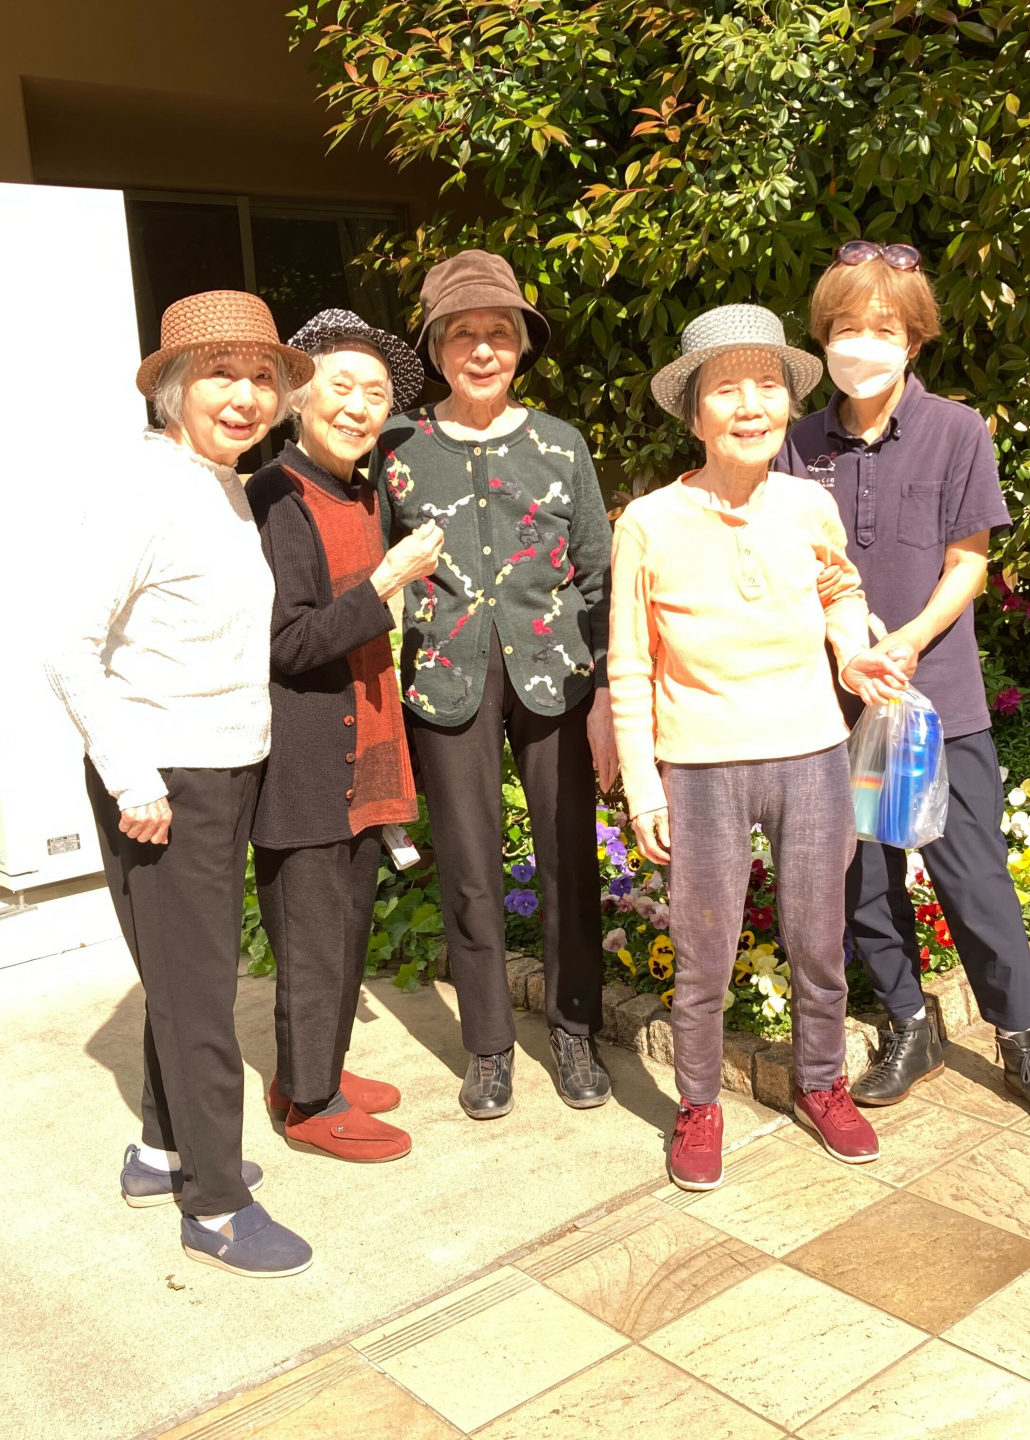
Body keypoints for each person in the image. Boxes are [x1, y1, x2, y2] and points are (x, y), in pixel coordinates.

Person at [777, 241, 1030, 1128]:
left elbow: (969, 563)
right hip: (835, 700)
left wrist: (910, 641)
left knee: (972, 873)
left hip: (936, 701)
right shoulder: (796, 444)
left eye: (883, 329)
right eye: (845, 327)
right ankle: (908, 1025)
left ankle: (1020, 1042)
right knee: (863, 877)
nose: (862, 344)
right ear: (823, 337)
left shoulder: (958, 430)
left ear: (914, 340)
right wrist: (848, 650)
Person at [46, 290, 317, 1279]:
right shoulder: (146, 488)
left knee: (183, 978)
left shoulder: (219, 485)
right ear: (172, 389)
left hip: (220, 765)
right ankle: (215, 1206)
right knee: (202, 995)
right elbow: (67, 646)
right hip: (167, 779)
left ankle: (164, 1154)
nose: (245, 396)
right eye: (220, 375)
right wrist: (133, 778)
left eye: (261, 377)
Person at [610, 303, 910, 1191]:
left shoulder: (809, 503)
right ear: (694, 413)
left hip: (813, 754)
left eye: (769, 386)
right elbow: (629, 663)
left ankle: (822, 1082)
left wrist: (850, 654)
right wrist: (643, 785)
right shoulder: (648, 522)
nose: (752, 406)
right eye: (727, 390)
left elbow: (839, 590)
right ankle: (698, 1103)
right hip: (700, 769)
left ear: (787, 402)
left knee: (819, 941)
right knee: (704, 954)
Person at [373, 250, 615, 1120]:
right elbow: (372, 570)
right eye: (462, 334)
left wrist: (608, 696)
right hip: (446, 681)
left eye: (499, 333)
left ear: (521, 346)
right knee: (470, 868)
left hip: (558, 679)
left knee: (568, 859)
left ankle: (575, 1028)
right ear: (436, 347)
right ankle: (488, 1046)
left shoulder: (559, 443)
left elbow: (599, 574)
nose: (482, 350)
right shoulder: (397, 446)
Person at [243, 309, 440, 1164]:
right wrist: (387, 580)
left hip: (359, 747)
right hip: (305, 758)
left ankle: (310, 1071)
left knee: (347, 923)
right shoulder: (276, 496)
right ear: (299, 398)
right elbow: (286, 643)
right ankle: (310, 1107)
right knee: (313, 938)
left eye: (377, 394)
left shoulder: (357, 489)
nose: (360, 407)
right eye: (342, 387)